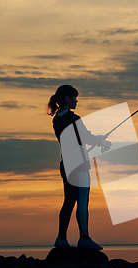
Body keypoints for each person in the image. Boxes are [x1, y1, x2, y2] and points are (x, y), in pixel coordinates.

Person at [47, 85, 110, 250]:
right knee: (82, 201)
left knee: (68, 201)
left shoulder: (57, 119)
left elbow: (80, 139)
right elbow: (86, 137)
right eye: (74, 97)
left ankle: (61, 238)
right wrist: (102, 142)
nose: (77, 100)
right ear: (67, 98)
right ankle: (84, 238)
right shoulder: (73, 118)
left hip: (66, 164)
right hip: (79, 165)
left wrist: (97, 139)